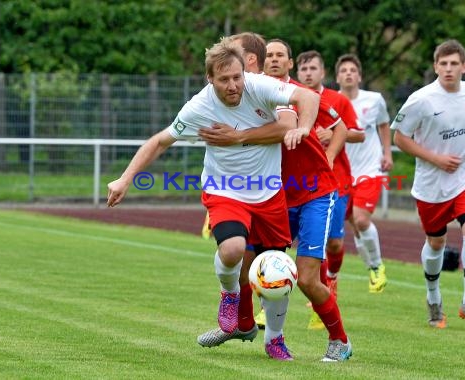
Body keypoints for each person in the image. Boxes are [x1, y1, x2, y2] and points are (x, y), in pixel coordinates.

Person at [107, 37, 321, 354]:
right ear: (211, 79)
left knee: (276, 269)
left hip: (269, 192)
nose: (233, 85)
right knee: (233, 249)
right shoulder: (199, 106)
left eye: (237, 77)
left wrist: (302, 128)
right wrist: (125, 179)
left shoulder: (259, 85)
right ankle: (228, 293)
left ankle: (274, 339)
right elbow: (159, 142)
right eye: (224, 79)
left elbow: (306, 97)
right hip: (225, 190)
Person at [197, 33, 352, 362]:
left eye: (237, 56)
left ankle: (340, 340)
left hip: (312, 192)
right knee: (242, 263)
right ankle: (241, 324)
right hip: (271, 195)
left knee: (306, 278)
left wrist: (308, 132)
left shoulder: (283, 91)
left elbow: (316, 122)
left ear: (249, 61)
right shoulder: (239, 93)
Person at [392, 39, 465, 330]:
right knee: (436, 242)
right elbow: (400, 138)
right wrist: (434, 158)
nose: (448, 69)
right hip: (432, 182)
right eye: (443, 64)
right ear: (436, 66)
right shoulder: (421, 99)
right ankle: (433, 298)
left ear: (464, 66)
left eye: (454, 64)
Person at [296, 49, 362, 329]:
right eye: (304, 69)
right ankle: (318, 288)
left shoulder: (337, 100)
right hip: (301, 184)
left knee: (334, 243)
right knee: (311, 245)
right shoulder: (291, 97)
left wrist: (332, 134)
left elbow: (356, 132)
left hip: (336, 180)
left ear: (323, 73)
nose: (308, 73)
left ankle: (331, 279)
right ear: (297, 73)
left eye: (313, 68)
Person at [335, 53, 393, 294]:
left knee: (361, 219)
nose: (348, 73)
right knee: (354, 225)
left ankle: (377, 267)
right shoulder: (331, 102)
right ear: (337, 77)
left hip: (370, 170)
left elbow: (383, 124)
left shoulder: (375, 99)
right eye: (344, 70)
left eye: (352, 70)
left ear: (359, 76)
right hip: (343, 173)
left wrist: (387, 153)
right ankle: (371, 267)